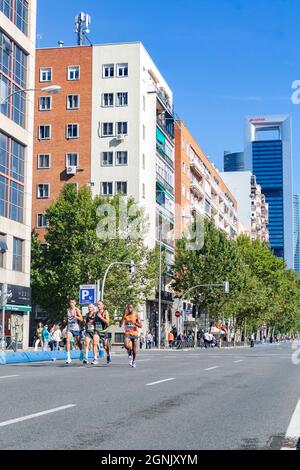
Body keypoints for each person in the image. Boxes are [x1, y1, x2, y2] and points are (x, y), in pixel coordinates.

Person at [120, 304, 142, 368]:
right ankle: (129, 351)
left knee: (134, 350)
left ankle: (133, 361)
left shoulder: (136, 314)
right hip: (127, 333)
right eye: (128, 308)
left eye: (130, 308)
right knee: (126, 345)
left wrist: (135, 323)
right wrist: (123, 316)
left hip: (134, 334)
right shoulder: (125, 315)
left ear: (133, 308)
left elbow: (141, 326)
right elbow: (120, 325)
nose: (129, 309)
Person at [65, 299, 83, 364]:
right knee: (67, 340)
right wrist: (65, 320)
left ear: (75, 303)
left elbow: (81, 319)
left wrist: (76, 316)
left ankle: (81, 352)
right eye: (70, 302)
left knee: (78, 342)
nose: (71, 303)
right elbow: (68, 318)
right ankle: (68, 357)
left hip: (76, 328)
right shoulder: (68, 310)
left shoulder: (76, 310)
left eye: (72, 302)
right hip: (69, 328)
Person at [93, 301, 111, 365]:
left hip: (103, 331)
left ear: (103, 305)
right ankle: (95, 358)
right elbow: (93, 321)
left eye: (100, 305)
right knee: (94, 343)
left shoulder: (105, 312)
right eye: (98, 305)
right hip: (97, 331)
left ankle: (108, 354)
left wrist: (100, 317)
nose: (98, 306)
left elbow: (107, 322)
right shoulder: (96, 313)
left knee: (105, 346)